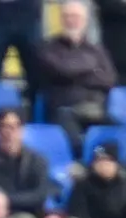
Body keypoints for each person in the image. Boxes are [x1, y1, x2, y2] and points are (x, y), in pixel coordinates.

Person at [33, 0, 116, 153]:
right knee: (74, 136)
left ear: (84, 21)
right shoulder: (49, 47)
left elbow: (109, 79)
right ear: (61, 19)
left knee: (118, 131)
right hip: (63, 108)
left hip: (94, 109)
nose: (72, 21)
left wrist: (77, 74)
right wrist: (91, 68)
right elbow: (63, 70)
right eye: (68, 16)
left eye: (76, 17)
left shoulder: (96, 49)